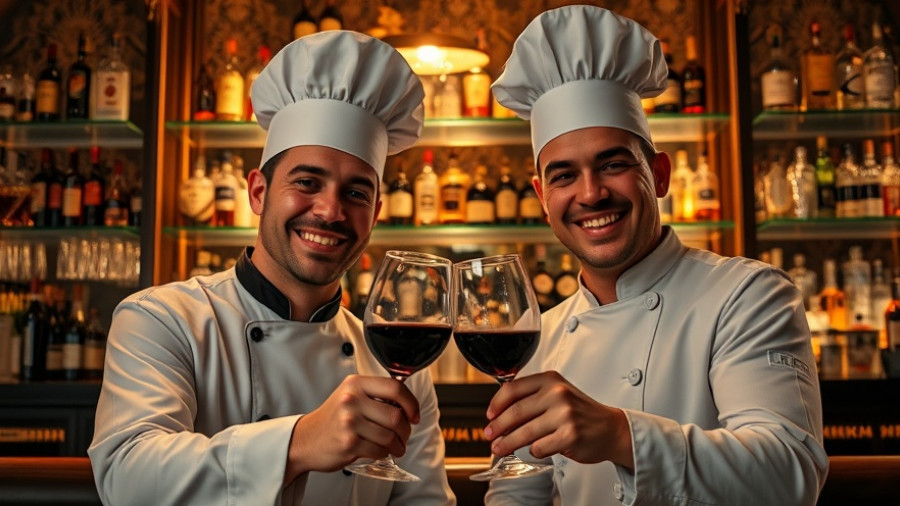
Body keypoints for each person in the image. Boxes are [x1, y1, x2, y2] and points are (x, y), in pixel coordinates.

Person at [88, 31, 455, 505]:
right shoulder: (162, 319)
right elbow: (126, 479)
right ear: (258, 192)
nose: (329, 211)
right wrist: (299, 443)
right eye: (307, 181)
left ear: (376, 213)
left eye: (356, 193)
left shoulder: (397, 366)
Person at [484, 6, 828, 505]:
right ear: (542, 197)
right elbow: (517, 495)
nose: (591, 193)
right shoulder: (538, 337)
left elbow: (789, 475)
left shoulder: (748, 295)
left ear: (660, 175)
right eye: (564, 176)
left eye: (613, 164)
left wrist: (619, 434)